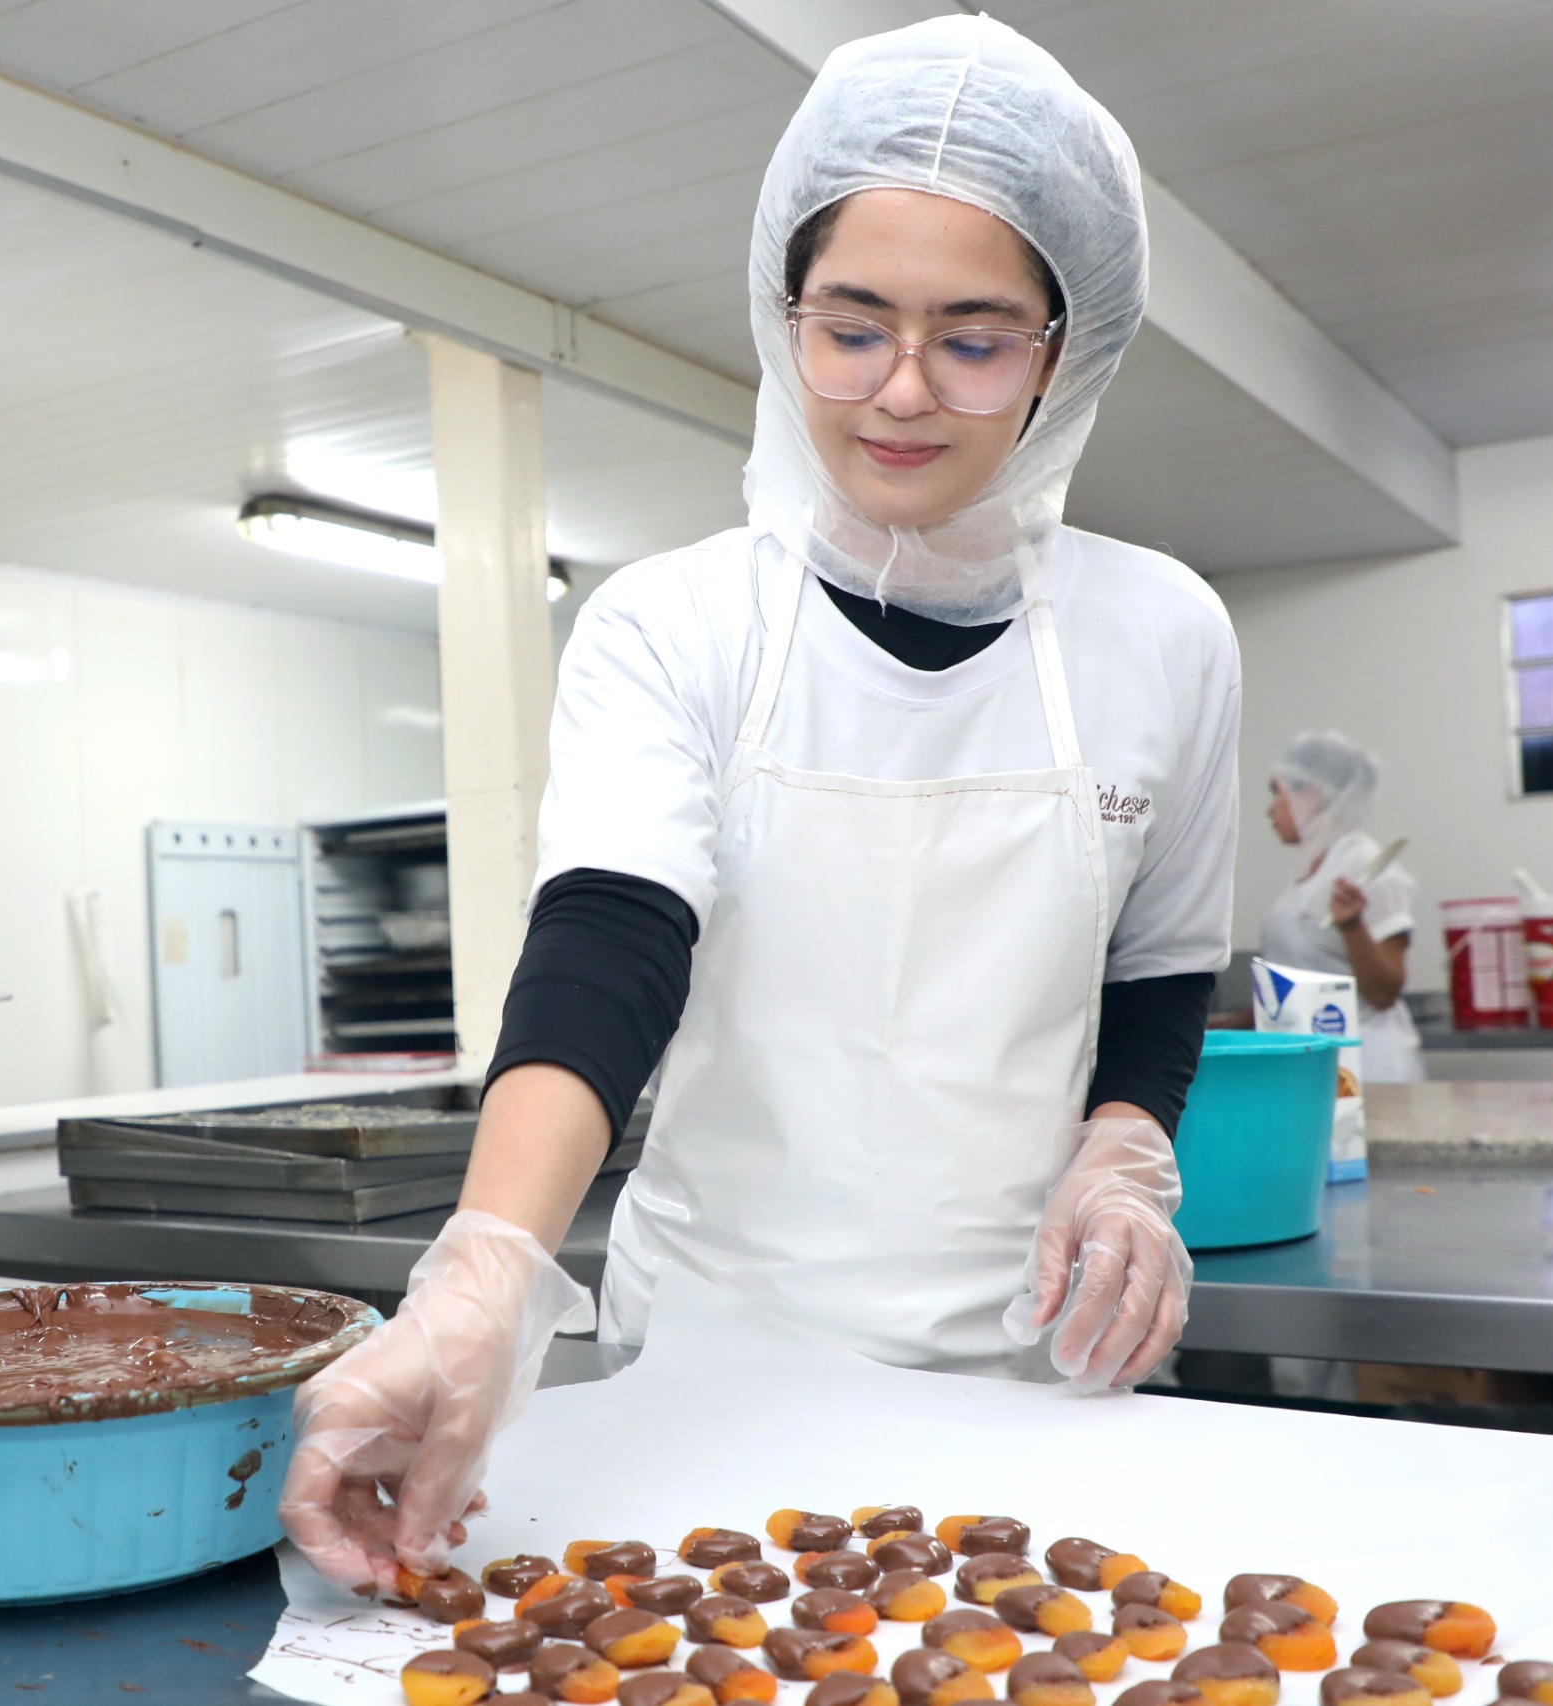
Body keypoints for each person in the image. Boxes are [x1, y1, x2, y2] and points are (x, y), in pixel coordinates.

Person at [279, 17, 1242, 1590]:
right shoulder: (676, 625)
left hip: (1040, 1376)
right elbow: (611, 940)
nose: (902, 392)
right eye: (851, 326)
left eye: (977, 336)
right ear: (778, 314)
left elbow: (1157, 960)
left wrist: (1126, 1145)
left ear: (1070, 351)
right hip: (714, 1379)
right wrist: (490, 1266)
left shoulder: (1163, 633)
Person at [1257, 731, 1424, 1082]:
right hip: (1316, 1062)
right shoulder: (1310, 871)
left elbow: (1383, 992)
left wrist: (1353, 927)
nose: (1270, 809)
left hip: (1368, 1068)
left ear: (1313, 793)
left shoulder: (1365, 866)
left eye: (1278, 792)